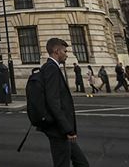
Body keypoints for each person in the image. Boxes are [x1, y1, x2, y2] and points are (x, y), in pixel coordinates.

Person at [41, 38, 89, 167]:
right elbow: (53, 101)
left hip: (61, 129)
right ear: (57, 51)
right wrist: (68, 129)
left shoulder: (51, 67)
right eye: (65, 51)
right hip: (58, 129)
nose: (67, 55)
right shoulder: (51, 68)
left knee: (82, 163)